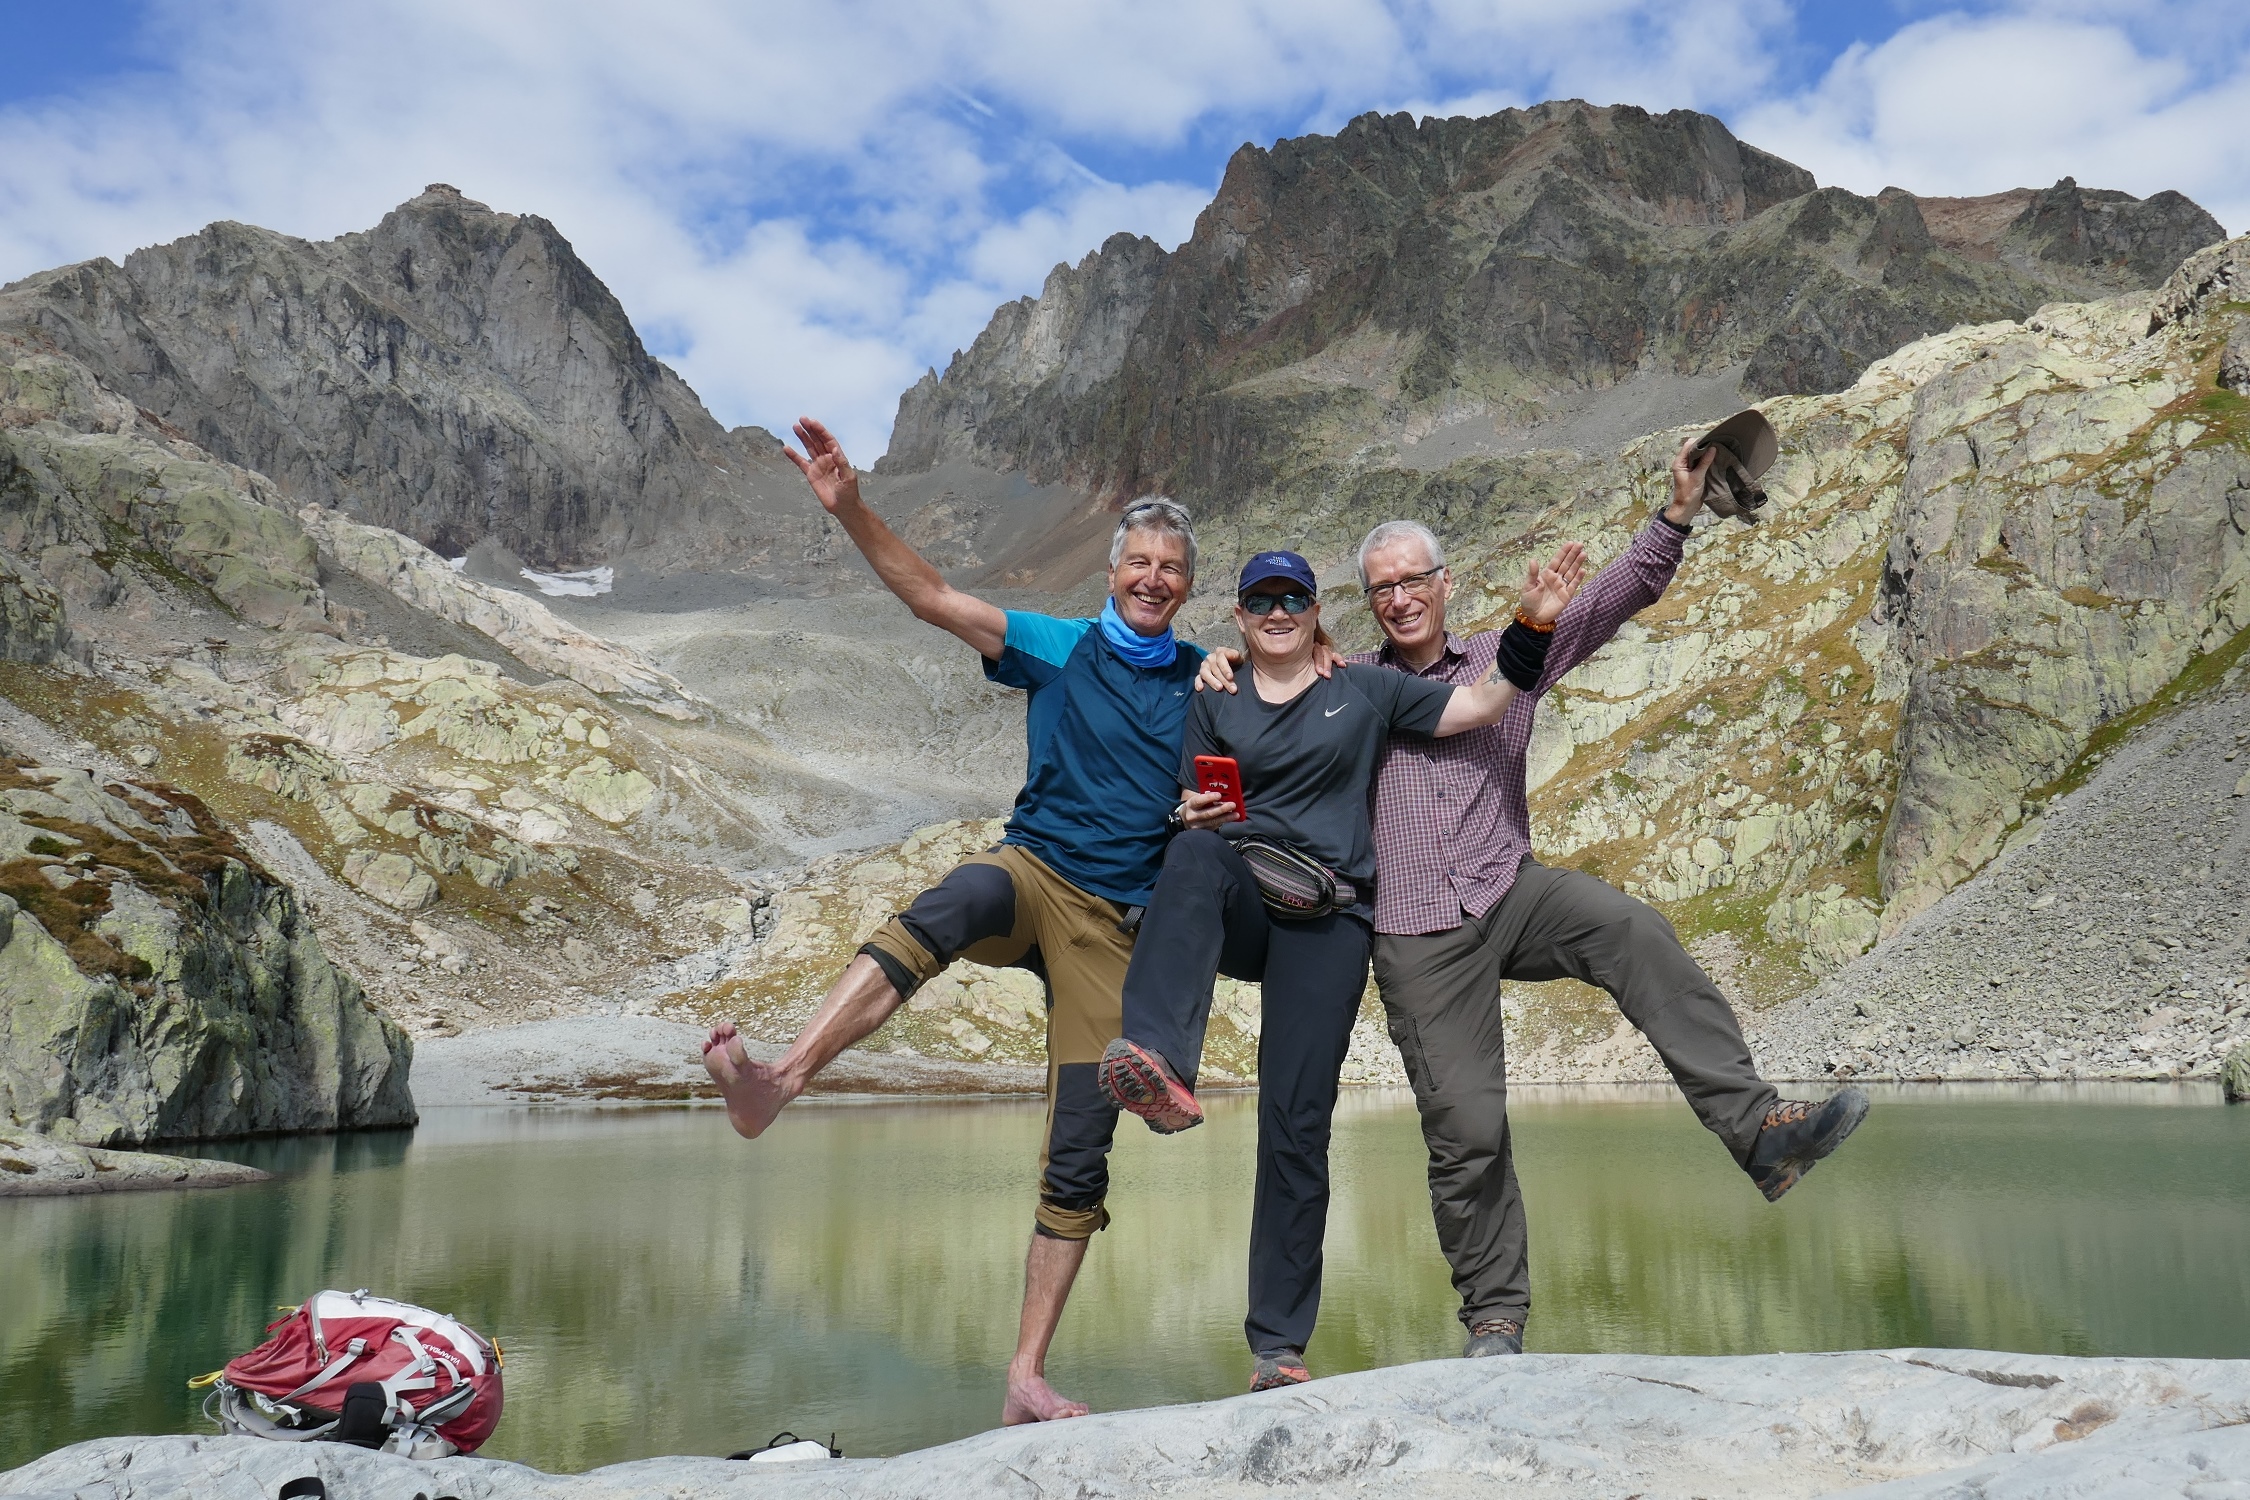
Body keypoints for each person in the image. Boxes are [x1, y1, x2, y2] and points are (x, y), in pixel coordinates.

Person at [1197, 436, 1870, 1363]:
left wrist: (1674, 516)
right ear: (1367, 602)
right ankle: (1495, 1318)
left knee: (1632, 930)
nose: (1399, 597)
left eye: (1413, 579)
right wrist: (1218, 663)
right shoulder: (1345, 687)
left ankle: (1761, 1133)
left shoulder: (1503, 654)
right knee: (1466, 1127)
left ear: (1442, 581)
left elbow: (1607, 601)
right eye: (1381, 586)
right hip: (1415, 927)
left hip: (1508, 886)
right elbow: (1263, 713)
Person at [698, 417, 1207, 1426]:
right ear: (1113, 574)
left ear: (1188, 583)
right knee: (956, 898)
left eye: (1170, 568)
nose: (1152, 578)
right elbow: (933, 597)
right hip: (1036, 872)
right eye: (1138, 562)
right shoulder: (1058, 647)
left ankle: (1023, 1375)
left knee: (1080, 1146)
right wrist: (852, 511)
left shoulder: (1205, 679)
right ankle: (780, 1081)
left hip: (1114, 924)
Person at [1098, 541, 1585, 1392]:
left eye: (1294, 599)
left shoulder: (1362, 687)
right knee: (1190, 857)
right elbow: (1192, 801)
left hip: (1329, 922)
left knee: (1296, 1120)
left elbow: (1479, 704)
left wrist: (1533, 622)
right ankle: (1159, 1061)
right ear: (1241, 617)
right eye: (1262, 601)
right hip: (1249, 894)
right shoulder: (1215, 695)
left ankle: (1276, 1350)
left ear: (1317, 612)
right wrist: (1197, 810)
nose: (1278, 612)